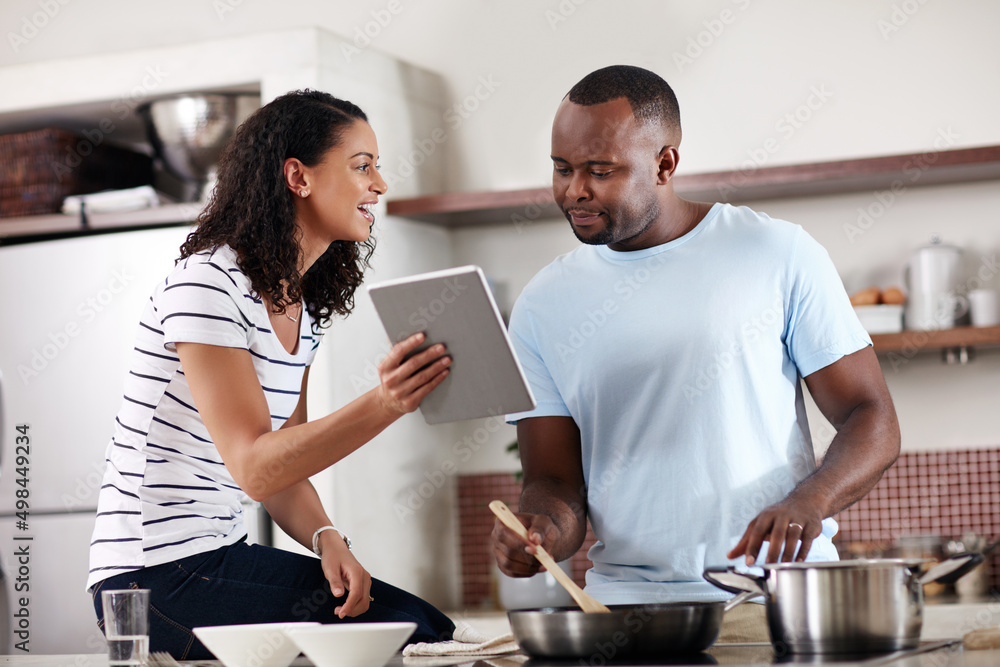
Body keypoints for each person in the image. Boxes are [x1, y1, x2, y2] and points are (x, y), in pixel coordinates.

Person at [491, 66, 901, 641]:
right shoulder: (541, 305)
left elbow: (872, 417)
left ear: (665, 165)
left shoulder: (776, 253)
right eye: (561, 169)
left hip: (776, 603)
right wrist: (541, 533)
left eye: (599, 171)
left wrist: (812, 500)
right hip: (628, 618)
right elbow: (554, 480)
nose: (573, 191)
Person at [88, 89, 456, 658]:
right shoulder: (207, 285)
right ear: (298, 177)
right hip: (150, 577)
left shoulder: (299, 307)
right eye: (363, 166)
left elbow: (286, 461)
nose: (379, 184)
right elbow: (256, 467)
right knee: (413, 631)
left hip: (213, 559)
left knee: (420, 623)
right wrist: (385, 402)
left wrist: (326, 538)